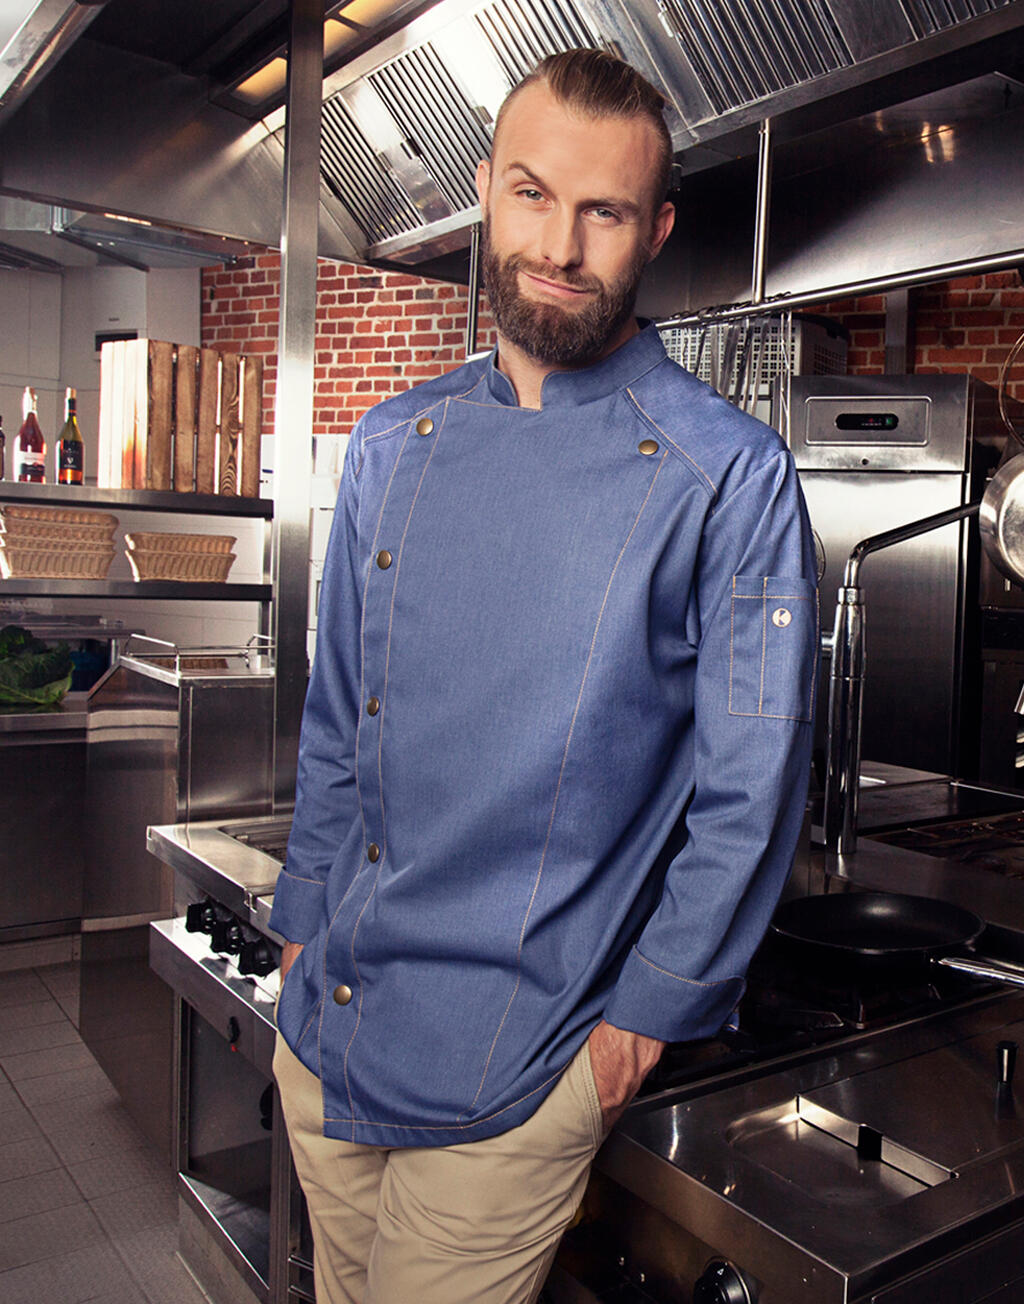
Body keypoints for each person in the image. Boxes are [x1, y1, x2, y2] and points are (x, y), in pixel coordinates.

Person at [270, 47, 817, 1304]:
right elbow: (339, 719)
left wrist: (636, 1030)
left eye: (603, 211)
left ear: (655, 229)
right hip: (332, 1022)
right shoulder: (388, 444)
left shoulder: (729, 478)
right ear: (485, 191)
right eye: (531, 195)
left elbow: (750, 791)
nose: (559, 247)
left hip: (516, 1071)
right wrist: (301, 920)